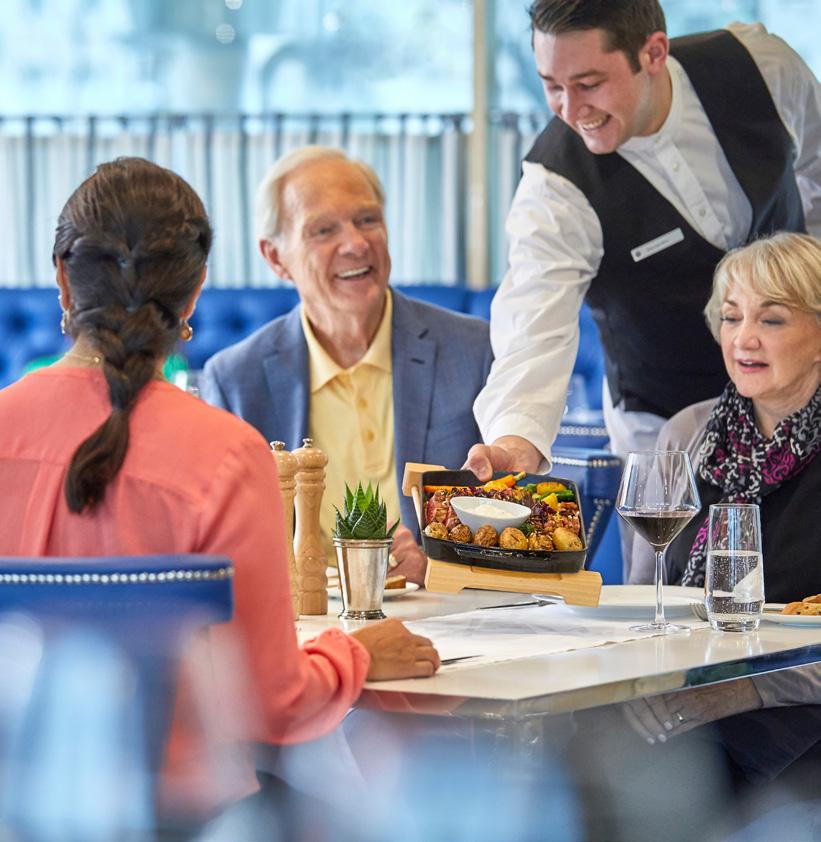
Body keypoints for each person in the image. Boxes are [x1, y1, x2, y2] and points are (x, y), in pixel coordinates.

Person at [0, 157, 440, 823]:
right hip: (180, 817)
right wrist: (354, 655)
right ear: (195, 289)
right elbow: (271, 705)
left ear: (63, 276)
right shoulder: (227, 454)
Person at [465, 2, 820, 511]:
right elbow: (534, 322)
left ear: (653, 53)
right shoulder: (557, 186)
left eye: (589, 84)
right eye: (552, 86)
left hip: (802, 391)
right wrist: (516, 438)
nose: (570, 110)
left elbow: (817, 170)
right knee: (669, 558)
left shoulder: (761, 67)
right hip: (660, 417)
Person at [202, 146, 493, 585]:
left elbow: (522, 532)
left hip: (450, 610)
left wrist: (437, 569)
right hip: (305, 617)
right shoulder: (235, 381)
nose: (356, 244)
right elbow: (228, 551)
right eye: (323, 230)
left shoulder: (473, 351)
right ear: (276, 258)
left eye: (367, 220)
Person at [622, 233, 820, 821]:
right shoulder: (687, 434)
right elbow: (644, 600)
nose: (743, 338)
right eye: (732, 317)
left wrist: (745, 689)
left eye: (771, 319)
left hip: (798, 713)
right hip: (678, 698)